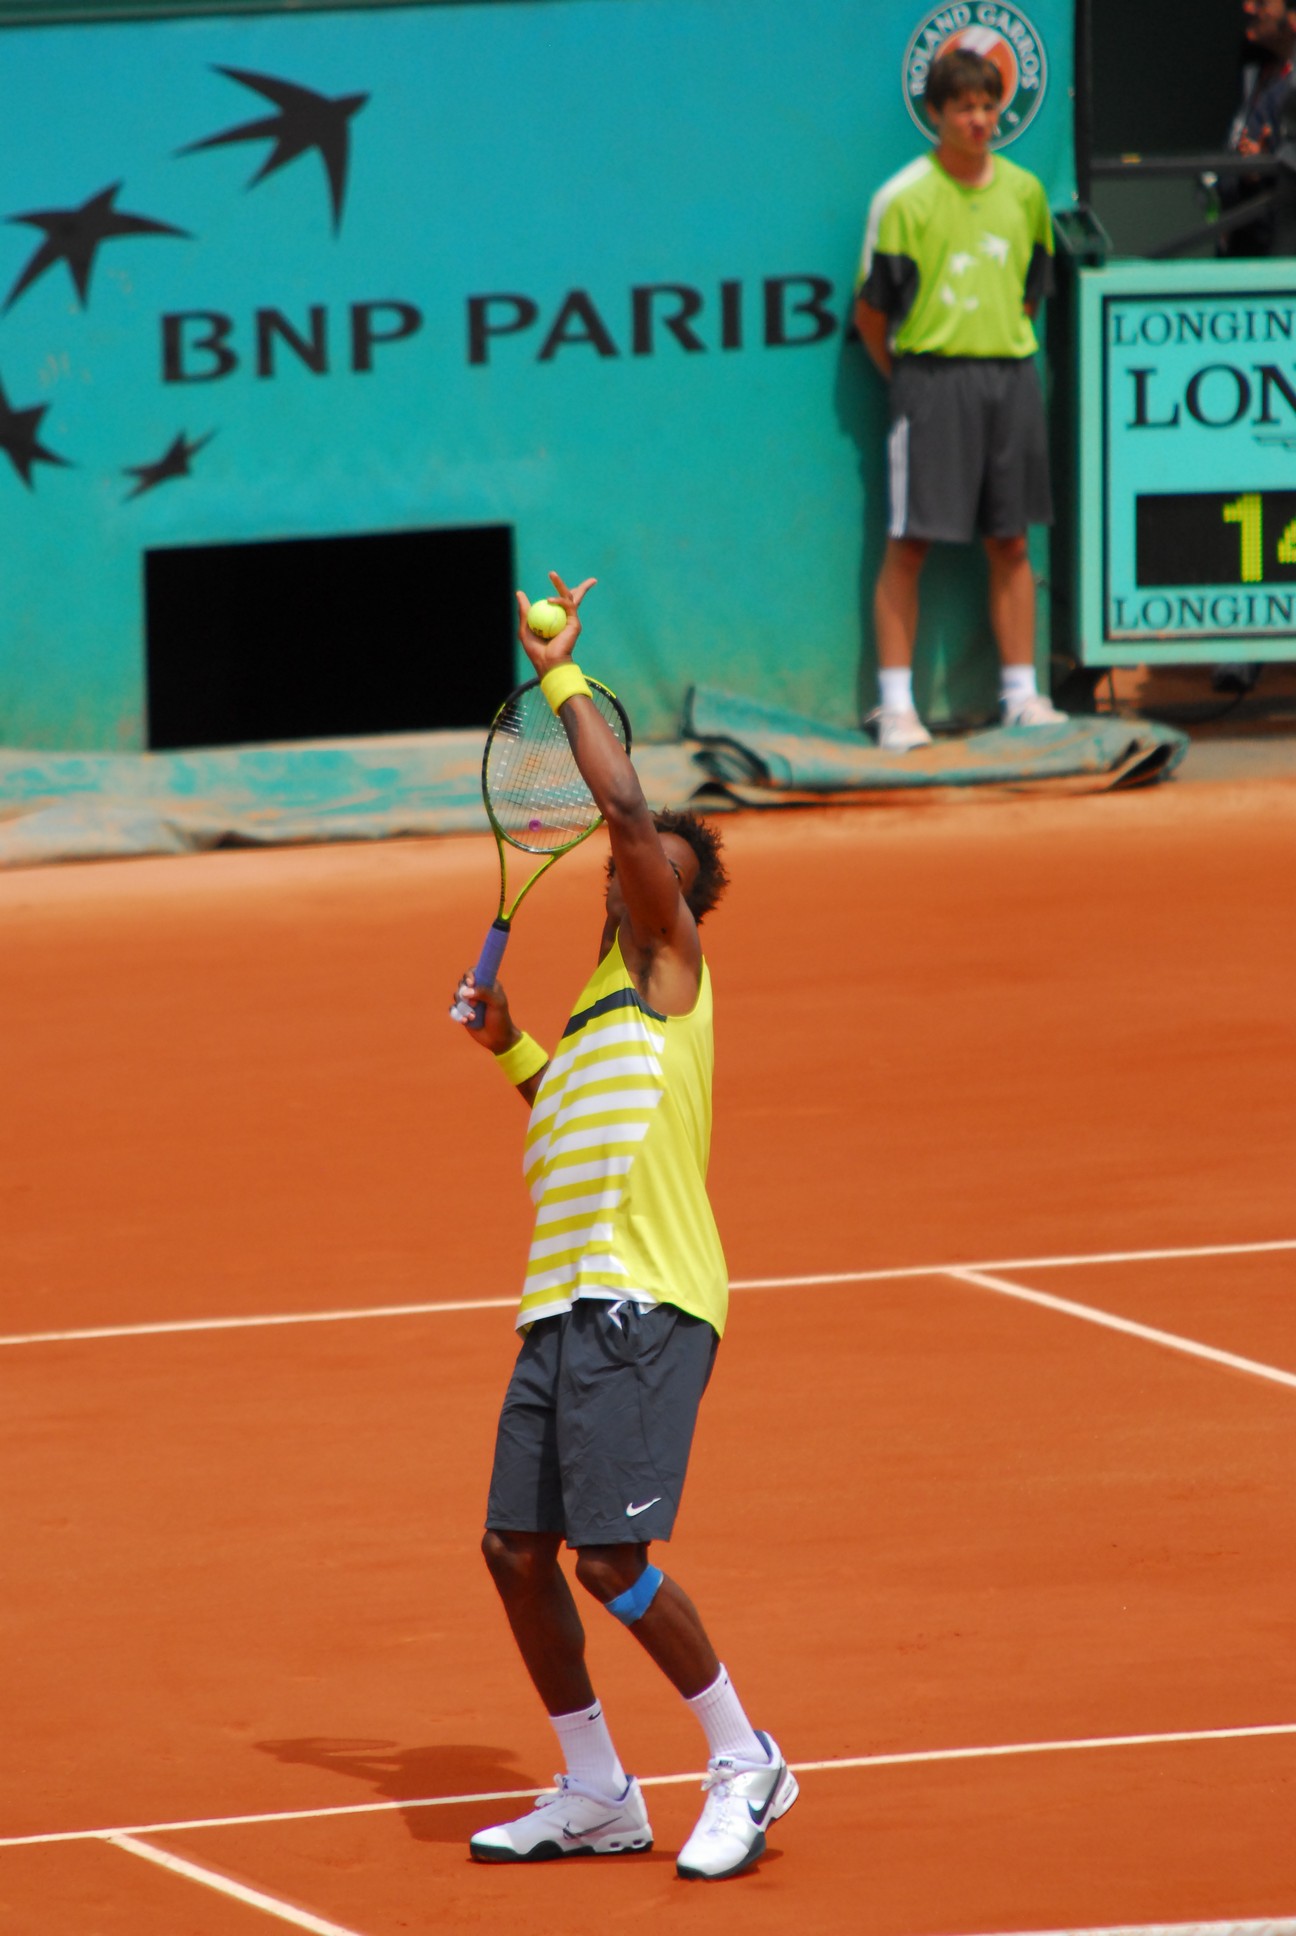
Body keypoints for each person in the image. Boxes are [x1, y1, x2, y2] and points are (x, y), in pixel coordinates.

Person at [450, 570, 797, 1883]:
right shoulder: (604, 1008)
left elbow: (622, 804)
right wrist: (508, 1045)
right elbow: (567, 1117)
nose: (631, 861)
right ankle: (597, 1789)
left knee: (608, 1555)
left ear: (672, 896)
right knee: (515, 1550)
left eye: (655, 860)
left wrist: (557, 671)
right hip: (562, 1297)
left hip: (646, 1301)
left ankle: (744, 1754)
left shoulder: (667, 963)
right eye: (634, 860)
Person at [854, 46, 1064, 752]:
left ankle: (1021, 695)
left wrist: (994, 344)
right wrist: (912, 384)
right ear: (936, 114)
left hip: (1010, 377)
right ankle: (895, 708)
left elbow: (1031, 294)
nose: (979, 120)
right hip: (930, 383)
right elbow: (872, 316)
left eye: (988, 107)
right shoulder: (903, 200)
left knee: (1011, 540)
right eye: (964, 108)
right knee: (909, 543)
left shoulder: (1027, 193)